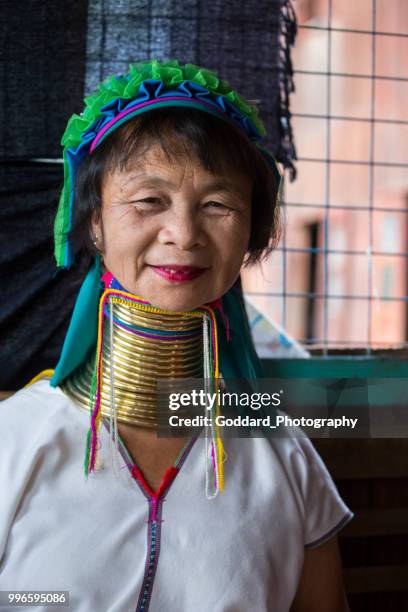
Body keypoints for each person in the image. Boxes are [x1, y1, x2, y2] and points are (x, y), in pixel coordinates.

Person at [0, 59, 353, 611]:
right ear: (94, 221)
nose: (183, 234)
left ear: (250, 233)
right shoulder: (14, 442)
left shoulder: (283, 453)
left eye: (218, 205)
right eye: (148, 201)